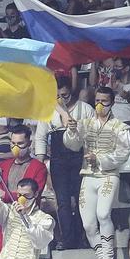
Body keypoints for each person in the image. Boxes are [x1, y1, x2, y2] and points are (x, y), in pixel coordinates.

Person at [63, 86, 130, 259]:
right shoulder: (85, 123)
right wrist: (71, 131)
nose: (100, 105)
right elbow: (73, 145)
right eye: (97, 101)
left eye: (104, 101)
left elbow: (123, 153)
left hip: (108, 175)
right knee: (88, 224)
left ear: (112, 103)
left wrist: (100, 159)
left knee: (103, 214)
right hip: (88, 175)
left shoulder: (120, 127)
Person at [37, 81, 94, 250]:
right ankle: (68, 239)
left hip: (79, 158)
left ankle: (82, 237)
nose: (61, 99)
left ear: (72, 93)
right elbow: (40, 137)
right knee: (62, 201)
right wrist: (40, 163)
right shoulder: (48, 110)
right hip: (58, 159)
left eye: (65, 95)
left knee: (80, 200)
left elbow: (91, 135)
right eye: (58, 96)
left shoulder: (85, 109)